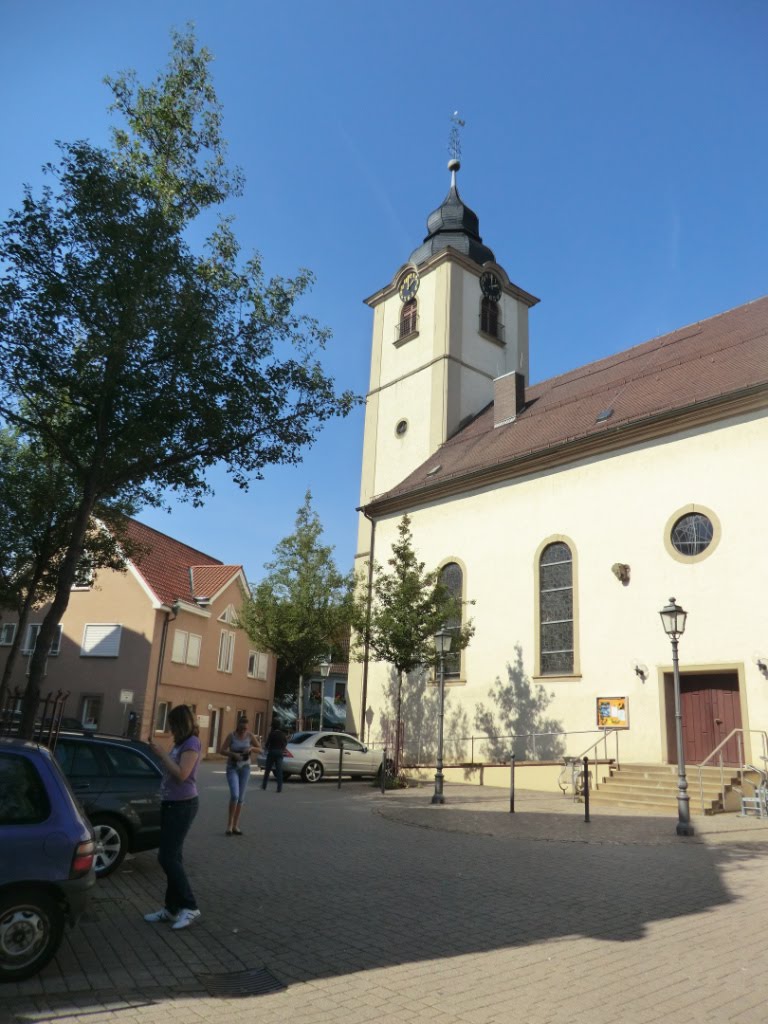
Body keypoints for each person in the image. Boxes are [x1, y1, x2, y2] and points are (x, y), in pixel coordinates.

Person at [144, 705, 202, 930]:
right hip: (171, 804)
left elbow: (182, 774)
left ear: (181, 723)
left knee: (166, 858)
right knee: (173, 858)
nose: (169, 727)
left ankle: (190, 906)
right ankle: (171, 908)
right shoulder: (180, 743)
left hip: (183, 805)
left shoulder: (192, 743)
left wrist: (162, 754)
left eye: (172, 723)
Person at [220, 714, 261, 835]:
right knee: (235, 795)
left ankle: (236, 826)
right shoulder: (231, 736)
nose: (244, 731)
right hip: (232, 767)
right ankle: (229, 824)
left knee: (241, 798)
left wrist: (251, 749)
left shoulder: (250, 736)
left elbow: (260, 749)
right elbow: (221, 750)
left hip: (245, 768)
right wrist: (233, 754)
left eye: (245, 729)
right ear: (238, 726)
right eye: (242, 728)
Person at [261, 721, 288, 793]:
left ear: (273, 726)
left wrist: (267, 748)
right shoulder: (283, 734)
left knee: (267, 770)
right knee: (279, 771)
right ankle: (279, 788)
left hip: (272, 752)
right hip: (279, 753)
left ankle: (264, 786)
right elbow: (285, 743)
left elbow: (267, 744)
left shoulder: (271, 734)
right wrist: (282, 749)